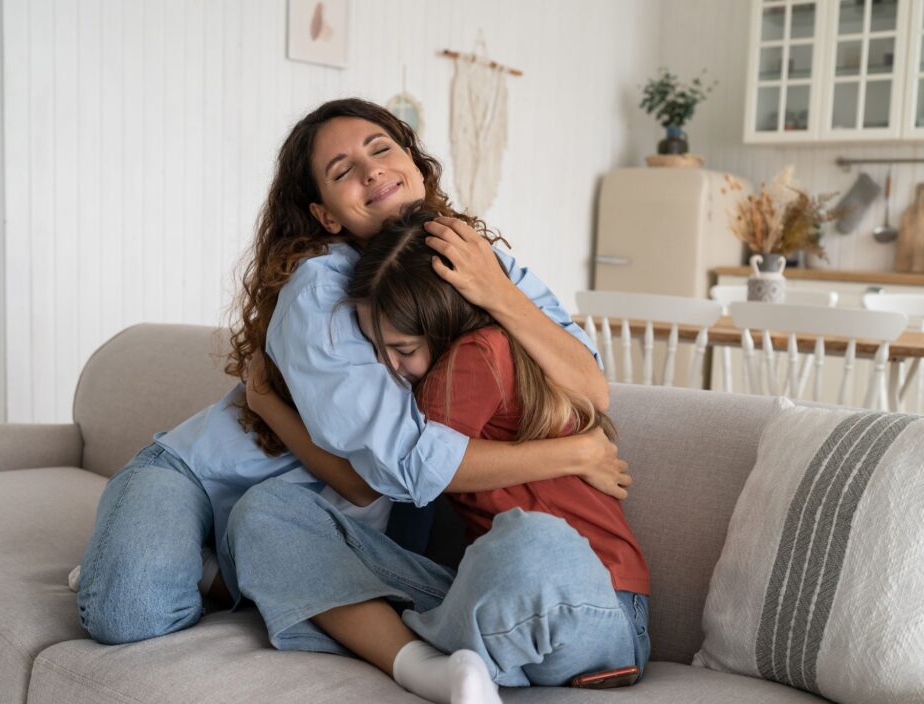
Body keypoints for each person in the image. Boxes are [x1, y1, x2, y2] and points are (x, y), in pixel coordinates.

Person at [75, 98, 627, 647]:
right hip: (208, 473)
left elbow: (591, 389)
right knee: (129, 612)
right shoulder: (323, 285)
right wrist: (578, 453)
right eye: (342, 172)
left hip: (309, 520)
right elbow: (393, 469)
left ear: (414, 161)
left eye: (382, 148)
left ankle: (218, 571)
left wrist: (497, 293)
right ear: (327, 215)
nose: (371, 170)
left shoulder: (481, 260)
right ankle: (151, 555)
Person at [235, 203, 650, 704]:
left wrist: (269, 406)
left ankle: (402, 641)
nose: (391, 367)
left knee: (531, 538)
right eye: (377, 350)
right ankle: (439, 664)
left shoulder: (476, 357)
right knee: (267, 509)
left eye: (403, 349)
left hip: (594, 605)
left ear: (442, 321)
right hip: (489, 600)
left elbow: (415, 477)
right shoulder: (475, 354)